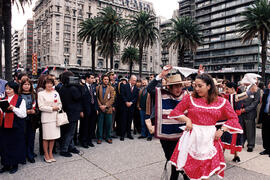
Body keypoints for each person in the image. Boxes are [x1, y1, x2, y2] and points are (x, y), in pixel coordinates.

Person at [168, 73, 243, 180]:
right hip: (192, 137)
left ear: (209, 86)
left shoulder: (221, 101)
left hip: (210, 138)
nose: (197, 89)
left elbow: (233, 118)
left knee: (206, 171)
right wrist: (187, 119)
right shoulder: (190, 98)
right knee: (191, 167)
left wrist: (222, 130)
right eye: (195, 85)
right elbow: (175, 112)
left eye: (200, 86)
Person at [147, 65, 189, 180]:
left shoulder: (186, 95)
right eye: (175, 86)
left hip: (181, 135)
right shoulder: (161, 93)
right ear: (169, 87)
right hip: (165, 135)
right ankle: (184, 174)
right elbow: (149, 88)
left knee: (177, 159)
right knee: (170, 157)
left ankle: (178, 177)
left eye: (180, 86)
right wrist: (161, 75)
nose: (178, 89)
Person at [0, 81, 27, 174]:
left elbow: (23, 114)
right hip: (4, 125)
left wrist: (13, 108)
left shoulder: (20, 100)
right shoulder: (3, 99)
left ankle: (14, 164)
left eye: (9, 89)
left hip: (15, 126)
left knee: (15, 146)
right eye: (6, 88)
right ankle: (5, 164)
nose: (7, 91)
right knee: (4, 146)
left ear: (14, 89)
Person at [59, 71, 83, 157]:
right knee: (70, 132)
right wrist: (79, 85)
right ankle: (64, 149)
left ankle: (71, 146)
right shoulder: (73, 88)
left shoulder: (62, 87)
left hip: (67, 112)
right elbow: (79, 96)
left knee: (68, 131)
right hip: (72, 113)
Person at [38, 77, 62, 163]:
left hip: (55, 118)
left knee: (53, 137)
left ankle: (51, 153)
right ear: (44, 84)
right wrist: (52, 108)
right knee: (46, 137)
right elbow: (41, 107)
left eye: (51, 83)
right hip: (46, 118)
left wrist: (58, 108)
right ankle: (46, 154)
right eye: (47, 83)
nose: (49, 85)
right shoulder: (41, 94)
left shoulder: (55, 93)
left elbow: (60, 104)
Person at [19, 78, 38, 163]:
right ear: (22, 85)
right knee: (22, 138)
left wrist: (35, 111)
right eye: (25, 84)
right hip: (22, 119)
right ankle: (22, 155)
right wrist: (25, 111)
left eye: (28, 84)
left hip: (32, 119)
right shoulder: (18, 95)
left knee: (31, 137)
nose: (26, 86)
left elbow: (38, 106)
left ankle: (30, 154)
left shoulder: (34, 95)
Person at [240, 82, 260, 152]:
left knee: (250, 130)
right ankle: (241, 143)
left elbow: (255, 102)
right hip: (241, 112)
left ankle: (250, 145)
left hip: (250, 112)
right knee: (242, 129)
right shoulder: (241, 88)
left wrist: (245, 109)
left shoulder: (257, 89)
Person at [80, 73, 98, 148]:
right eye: (91, 78)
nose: (93, 79)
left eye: (93, 78)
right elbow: (80, 100)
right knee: (85, 126)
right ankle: (83, 141)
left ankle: (89, 140)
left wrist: (96, 108)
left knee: (91, 126)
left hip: (93, 110)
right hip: (85, 110)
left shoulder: (93, 87)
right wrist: (81, 111)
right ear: (87, 78)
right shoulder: (82, 87)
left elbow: (95, 99)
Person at [96, 74, 115, 144]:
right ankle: (99, 138)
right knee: (100, 124)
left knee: (108, 124)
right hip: (100, 108)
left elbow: (112, 99)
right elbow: (96, 97)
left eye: (107, 79)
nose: (106, 80)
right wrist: (100, 106)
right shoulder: (98, 88)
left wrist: (106, 106)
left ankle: (108, 137)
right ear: (102, 80)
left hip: (108, 109)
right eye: (105, 79)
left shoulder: (111, 88)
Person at [119, 75, 139, 141]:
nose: (134, 82)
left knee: (129, 121)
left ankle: (129, 134)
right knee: (123, 121)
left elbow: (136, 97)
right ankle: (122, 135)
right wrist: (126, 102)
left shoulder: (136, 88)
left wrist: (131, 103)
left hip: (131, 107)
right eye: (133, 80)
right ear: (130, 80)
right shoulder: (124, 86)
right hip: (124, 106)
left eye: (135, 81)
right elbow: (122, 95)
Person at [258, 80, 270, 156]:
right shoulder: (266, 93)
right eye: (269, 83)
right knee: (265, 133)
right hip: (265, 115)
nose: (269, 85)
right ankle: (266, 149)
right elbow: (263, 105)